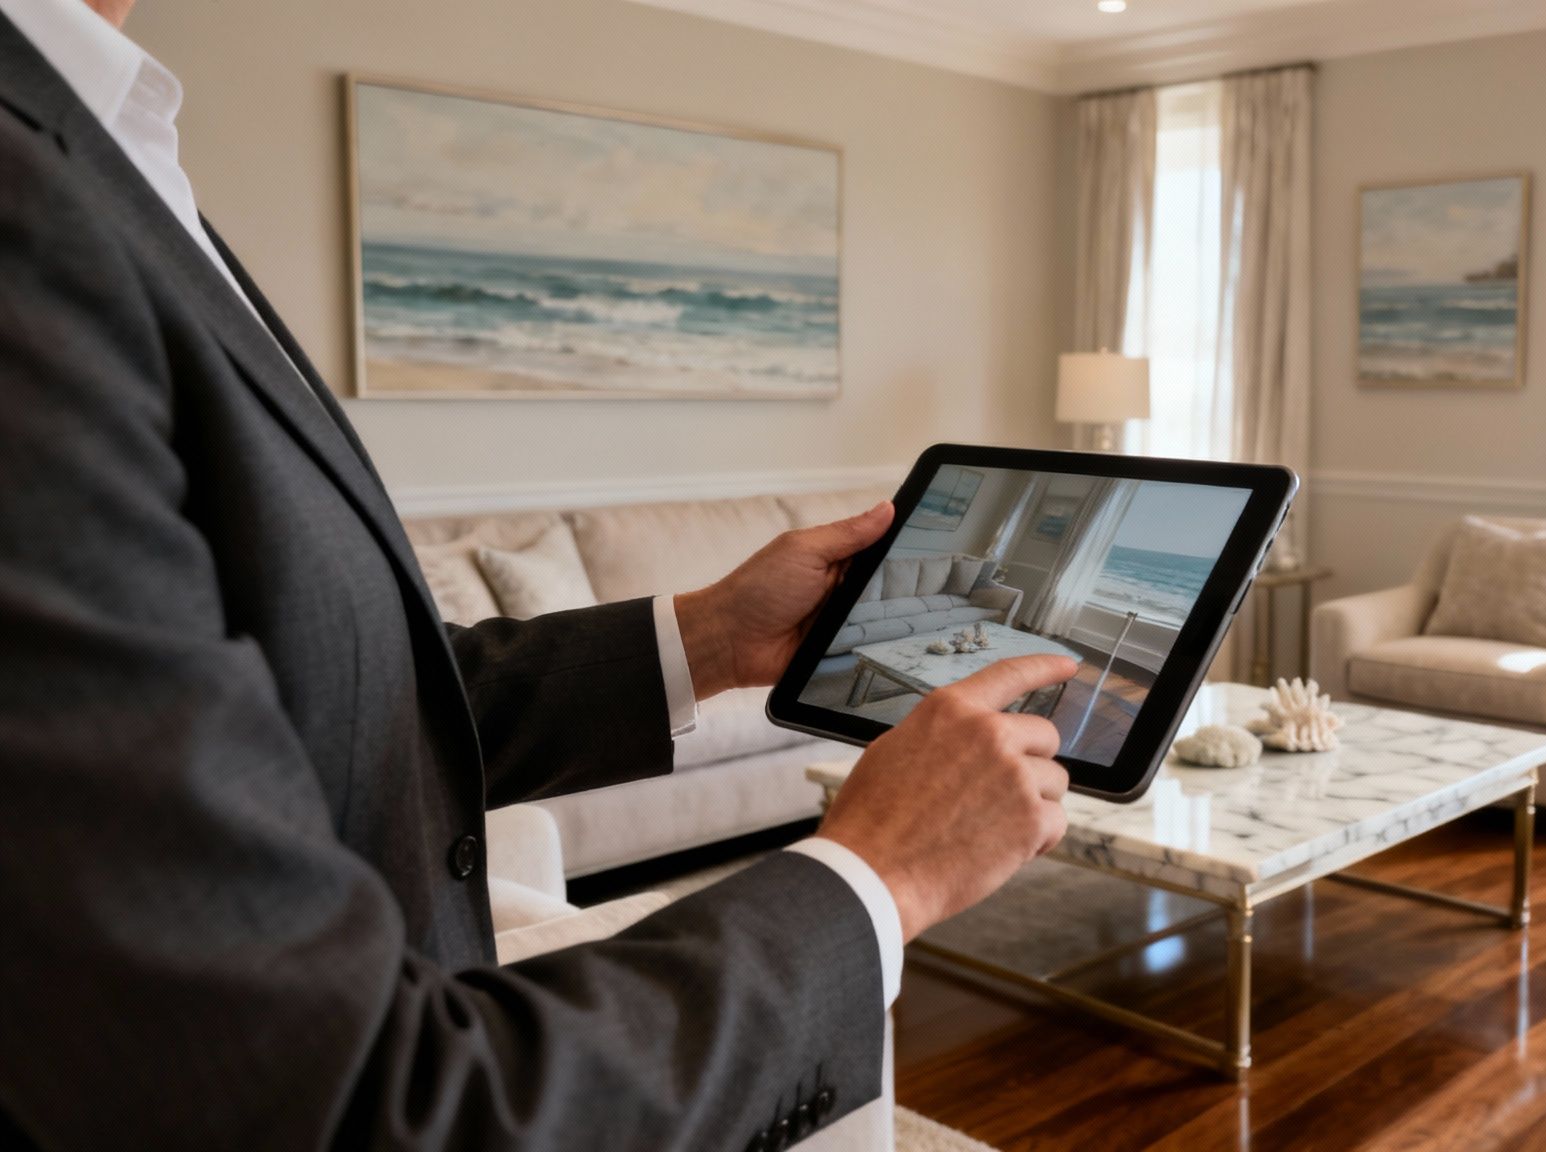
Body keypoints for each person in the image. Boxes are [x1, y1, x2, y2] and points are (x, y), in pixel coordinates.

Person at [0, 0, 1078, 1147]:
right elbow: (354, 1104)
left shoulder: (104, 142)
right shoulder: (29, 212)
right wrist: (878, 873)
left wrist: (710, 635)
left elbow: (323, 684)